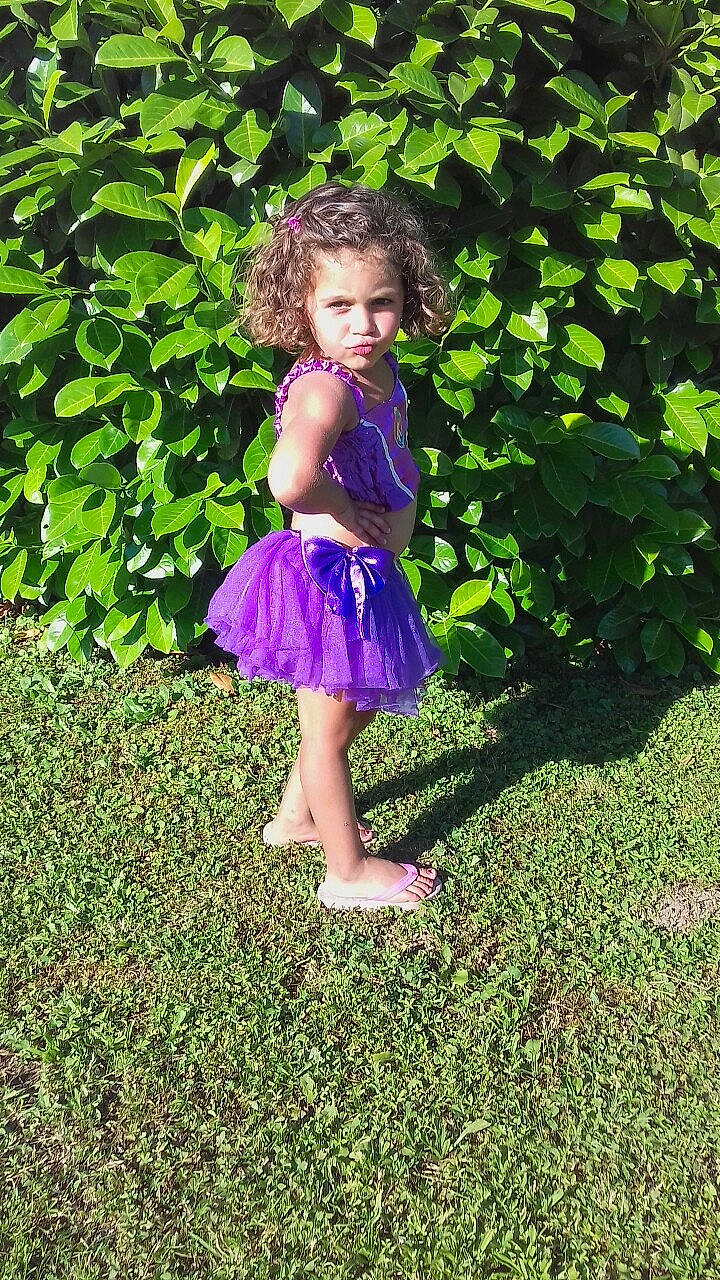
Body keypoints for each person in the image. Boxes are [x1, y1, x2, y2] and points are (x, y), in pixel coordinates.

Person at [203, 181, 454, 912]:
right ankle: (347, 873)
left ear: (408, 296)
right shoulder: (327, 391)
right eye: (339, 306)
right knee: (331, 731)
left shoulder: (376, 374)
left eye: (382, 302)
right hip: (328, 582)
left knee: (346, 712)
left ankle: (296, 818)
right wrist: (343, 505)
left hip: (364, 576)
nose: (365, 324)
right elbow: (290, 476)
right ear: (301, 307)